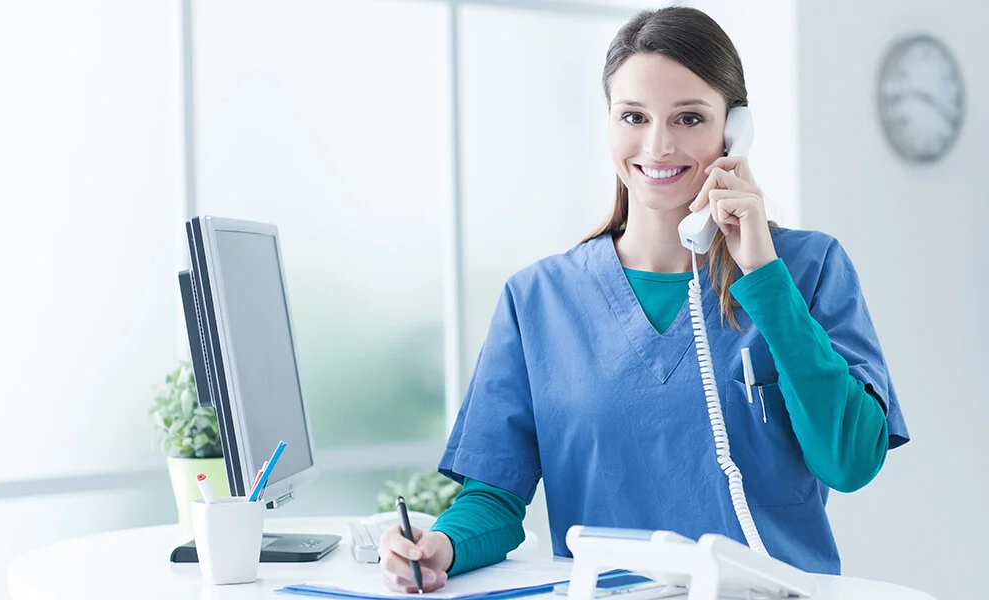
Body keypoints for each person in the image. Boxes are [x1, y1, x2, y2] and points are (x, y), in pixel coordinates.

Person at [378, 6, 909, 593]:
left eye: (688, 118)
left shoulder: (809, 269)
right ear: (609, 123)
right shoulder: (538, 300)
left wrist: (762, 273)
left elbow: (851, 462)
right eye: (633, 116)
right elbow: (495, 498)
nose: (657, 146)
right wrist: (440, 546)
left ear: (733, 131)